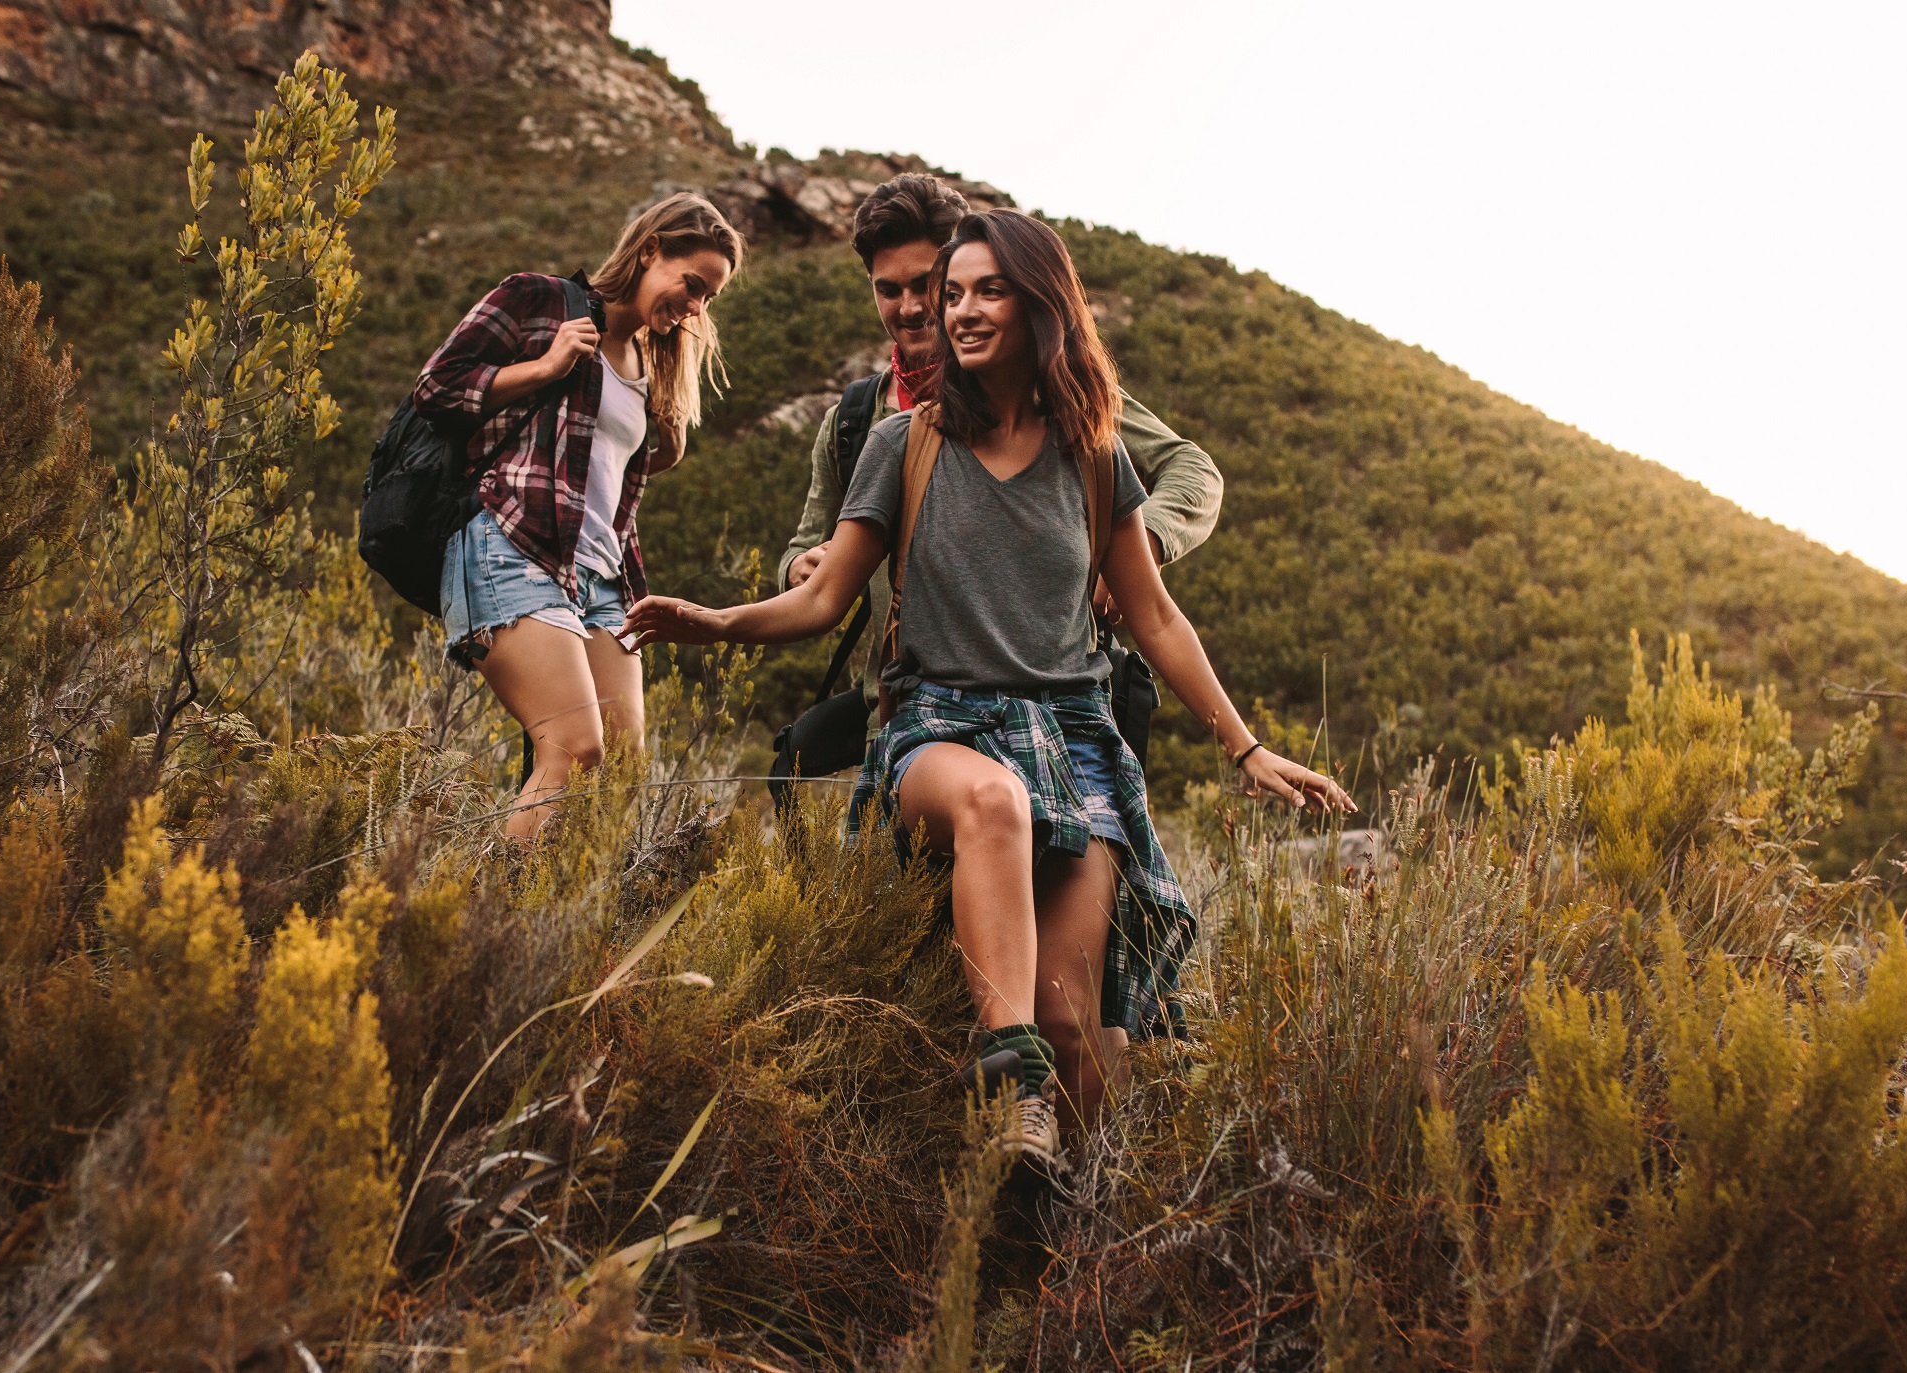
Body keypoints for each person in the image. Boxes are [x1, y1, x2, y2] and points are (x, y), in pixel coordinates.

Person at [624, 210, 1353, 1164]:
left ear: (1041, 303)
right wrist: (719, 622)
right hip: (940, 729)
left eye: (986, 290)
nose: (958, 311)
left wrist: (1246, 746)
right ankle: (1007, 1083)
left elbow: (1157, 617)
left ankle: (1065, 1247)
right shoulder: (902, 444)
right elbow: (823, 598)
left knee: (1081, 1034)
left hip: (1076, 743)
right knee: (993, 800)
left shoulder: (1093, 453)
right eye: (950, 292)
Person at [778, 174, 1225, 706]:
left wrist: (1133, 547)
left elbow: (1193, 469)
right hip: (904, 717)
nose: (912, 307)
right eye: (888, 289)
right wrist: (799, 570)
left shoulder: (1055, 395)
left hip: (1053, 712)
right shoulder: (855, 421)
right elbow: (803, 549)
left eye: (926, 284)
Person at [412, 193, 743, 839]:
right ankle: (500, 926)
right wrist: (543, 366)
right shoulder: (539, 299)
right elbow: (437, 387)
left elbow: (605, 470)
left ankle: (565, 922)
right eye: (694, 284)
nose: (698, 307)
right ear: (650, 250)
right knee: (573, 745)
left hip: (599, 577)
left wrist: (662, 427)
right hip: (510, 545)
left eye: (711, 298)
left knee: (620, 769)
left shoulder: (650, 359)